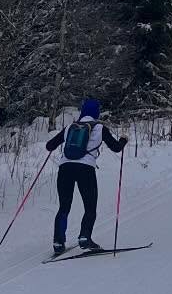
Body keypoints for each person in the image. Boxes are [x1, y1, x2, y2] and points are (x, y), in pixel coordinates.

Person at [47, 98, 128, 255]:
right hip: (86, 169)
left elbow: (49, 146)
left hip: (65, 168)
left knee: (64, 206)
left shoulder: (70, 126)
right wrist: (123, 140)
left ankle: (58, 242)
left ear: (83, 111)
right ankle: (85, 237)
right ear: (96, 112)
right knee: (90, 206)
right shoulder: (99, 128)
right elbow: (116, 148)